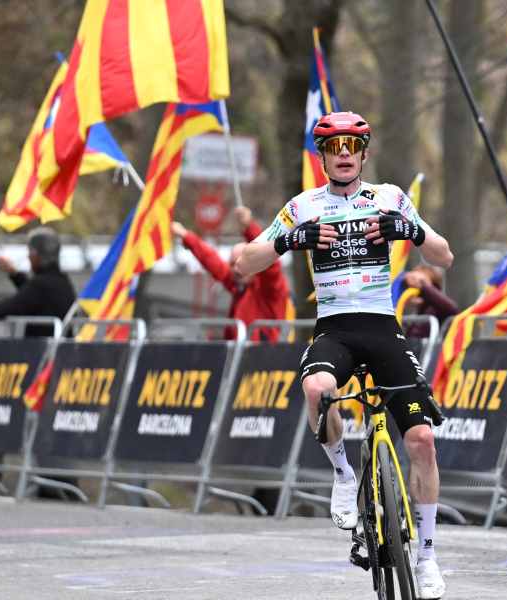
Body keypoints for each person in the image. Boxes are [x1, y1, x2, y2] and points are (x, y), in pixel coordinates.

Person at [235, 111, 453, 598]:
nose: (344, 155)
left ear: (364, 153)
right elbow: (245, 263)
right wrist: (291, 239)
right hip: (334, 328)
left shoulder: (389, 197)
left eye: (351, 146)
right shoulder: (304, 206)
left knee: (422, 439)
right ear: (323, 158)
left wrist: (411, 230)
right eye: (334, 148)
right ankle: (343, 474)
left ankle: (427, 557)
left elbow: (444, 256)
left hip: (382, 326)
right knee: (317, 388)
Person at [171, 205, 291, 341]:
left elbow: (270, 260)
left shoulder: (269, 288)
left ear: (256, 263)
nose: (236, 269)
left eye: (241, 262)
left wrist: (249, 227)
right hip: (241, 351)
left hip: (265, 352)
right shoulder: (238, 285)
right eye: (232, 263)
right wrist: (186, 236)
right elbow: (212, 261)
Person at [0, 227, 76, 336]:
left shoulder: (41, 285)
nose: (28, 256)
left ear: (37, 255)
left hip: (41, 346)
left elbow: (15, 305)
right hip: (58, 345)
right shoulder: (62, 281)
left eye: (30, 251)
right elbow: (32, 295)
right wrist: (14, 273)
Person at [397, 264, 458, 338]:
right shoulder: (413, 310)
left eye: (422, 281)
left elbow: (453, 309)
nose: (414, 286)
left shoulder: (437, 308)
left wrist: (423, 286)